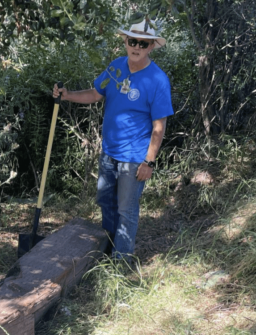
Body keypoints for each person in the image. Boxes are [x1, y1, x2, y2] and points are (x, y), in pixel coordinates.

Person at [53, 19, 174, 263]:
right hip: (109, 152)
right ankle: (107, 248)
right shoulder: (116, 67)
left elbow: (159, 127)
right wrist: (67, 96)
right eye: (133, 41)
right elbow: (96, 93)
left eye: (143, 42)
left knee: (126, 211)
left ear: (151, 46)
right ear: (125, 41)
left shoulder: (158, 80)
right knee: (105, 200)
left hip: (134, 158)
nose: (136, 46)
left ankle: (121, 264)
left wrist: (148, 162)